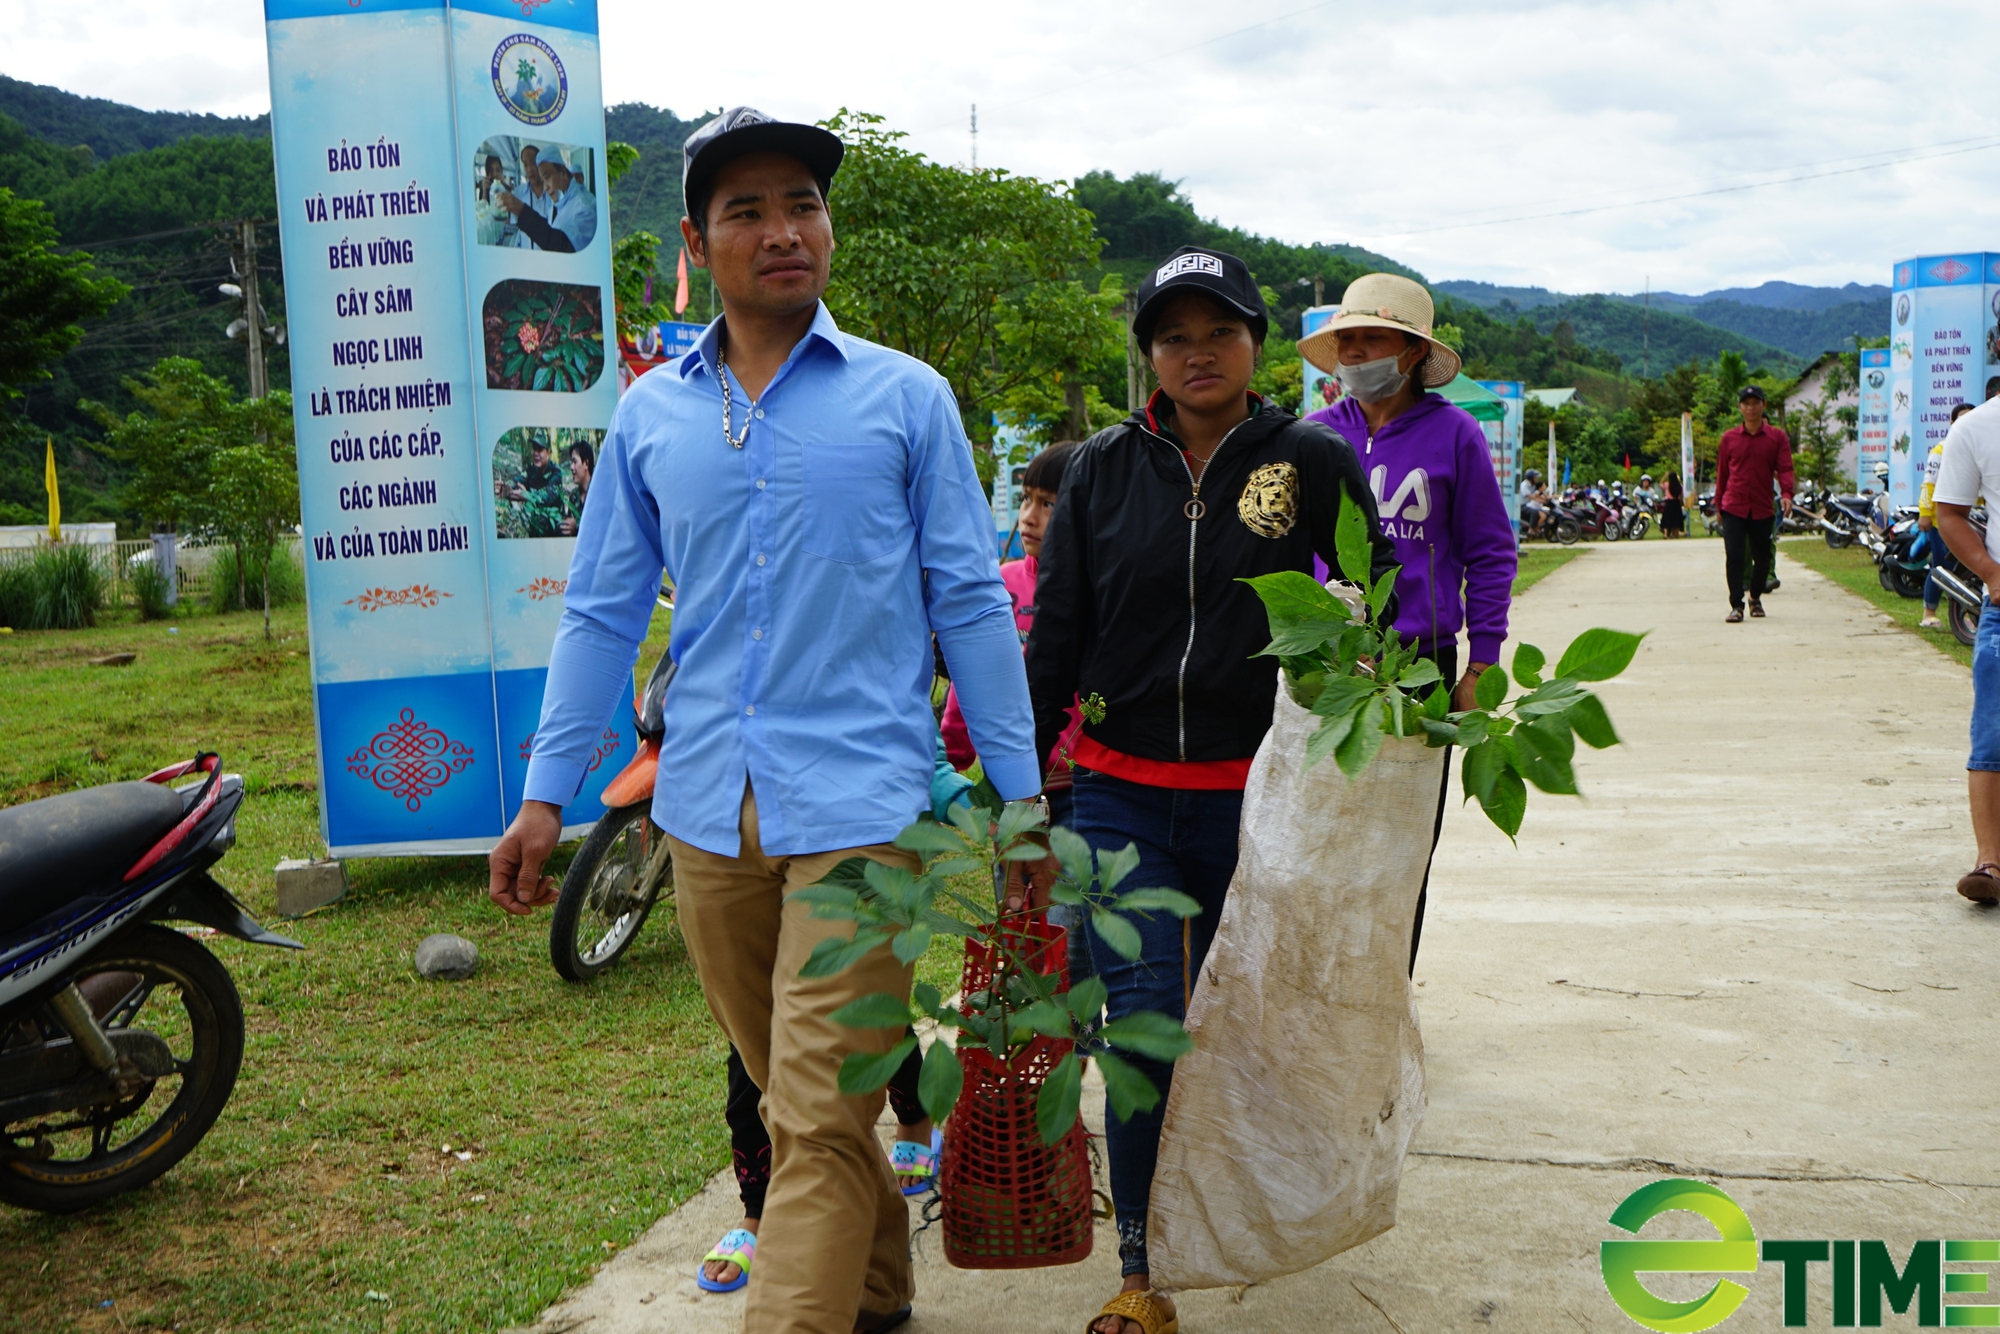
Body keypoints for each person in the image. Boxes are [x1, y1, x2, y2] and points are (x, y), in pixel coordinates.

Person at [488, 106, 1049, 1334]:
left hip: (867, 809)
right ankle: (878, 1290)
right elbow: (598, 612)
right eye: (748, 210)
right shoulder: (651, 416)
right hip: (701, 811)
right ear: (699, 240)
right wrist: (542, 793)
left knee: (811, 1100)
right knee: (797, 1091)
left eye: (802, 203)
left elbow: (968, 601)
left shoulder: (905, 399)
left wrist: (1018, 796)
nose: (783, 230)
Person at [1025, 245, 1397, 1334]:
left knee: (1251, 1029)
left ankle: (1252, 1213)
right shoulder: (1098, 470)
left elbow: (1368, 599)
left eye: (1219, 331)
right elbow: (1056, 634)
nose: (1198, 352)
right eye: (1175, 334)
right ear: (1146, 352)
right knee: (1142, 1033)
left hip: (1260, 797)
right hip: (1119, 797)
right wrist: (1011, 781)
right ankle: (1142, 1266)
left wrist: (1379, 702)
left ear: (1254, 345)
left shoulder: (1310, 459)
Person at [698, 740, 971, 1295]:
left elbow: (917, 741)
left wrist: (973, 804)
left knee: (865, 1024)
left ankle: (914, 1121)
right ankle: (761, 1206)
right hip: (742, 852)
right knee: (755, 1056)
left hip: (848, 849)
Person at [1301, 271, 1517, 971]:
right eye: (1348, 340)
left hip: (1418, 665)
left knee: (1400, 844)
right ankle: (1322, 993)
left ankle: (1386, 993)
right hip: (1324, 669)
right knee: (1318, 839)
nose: (1359, 353)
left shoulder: (1455, 437)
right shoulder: (1311, 440)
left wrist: (1481, 662)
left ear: (1413, 352)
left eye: (1375, 339)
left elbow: (1489, 552)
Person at [940, 440, 1085, 825]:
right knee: (1015, 881)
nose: (1028, 517)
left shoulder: (1097, 593)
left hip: (1083, 785)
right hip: (1011, 783)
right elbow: (970, 679)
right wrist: (951, 757)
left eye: (1048, 504)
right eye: (1026, 500)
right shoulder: (1000, 585)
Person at [1930, 397, 2000, 903]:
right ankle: (1990, 863)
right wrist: (1993, 574)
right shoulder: (1976, 427)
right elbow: (1948, 513)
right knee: (1992, 735)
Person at [1714, 384, 1795, 622]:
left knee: (1762, 558)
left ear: (1763, 405)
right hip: (1733, 506)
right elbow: (1722, 475)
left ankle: (1755, 597)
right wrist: (1719, 506)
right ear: (1740, 407)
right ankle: (1736, 605)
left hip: (1762, 506)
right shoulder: (1728, 438)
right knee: (1735, 556)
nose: (1751, 408)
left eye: (1755, 403)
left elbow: (1785, 468)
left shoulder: (1776, 437)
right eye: (1746, 403)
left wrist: (1787, 494)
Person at [1917, 404, 1974, 628]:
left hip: (1972, 520)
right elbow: (1928, 485)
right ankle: (1929, 613)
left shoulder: (1978, 448)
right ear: (1951, 423)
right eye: (1961, 419)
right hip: (1942, 522)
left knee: (1968, 568)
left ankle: (1966, 615)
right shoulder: (1941, 450)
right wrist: (1925, 514)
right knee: (1941, 567)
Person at [502, 152, 599, 252]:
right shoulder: (560, 204)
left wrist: (522, 211)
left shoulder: (584, 209)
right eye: (543, 181)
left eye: (547, 177)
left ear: (563, 173)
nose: (546, 187)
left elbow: (560, 245)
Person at [1661, 471, 1686, 537]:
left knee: (1667, 519)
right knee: (1676, 520)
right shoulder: (1680, 486)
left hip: (1669, 503)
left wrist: (1665, 475)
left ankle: (1666, 534)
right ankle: (1675, 534)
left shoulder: (1667, 484)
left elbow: (1661, 483)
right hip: (1676, 503)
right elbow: (1680, 496)